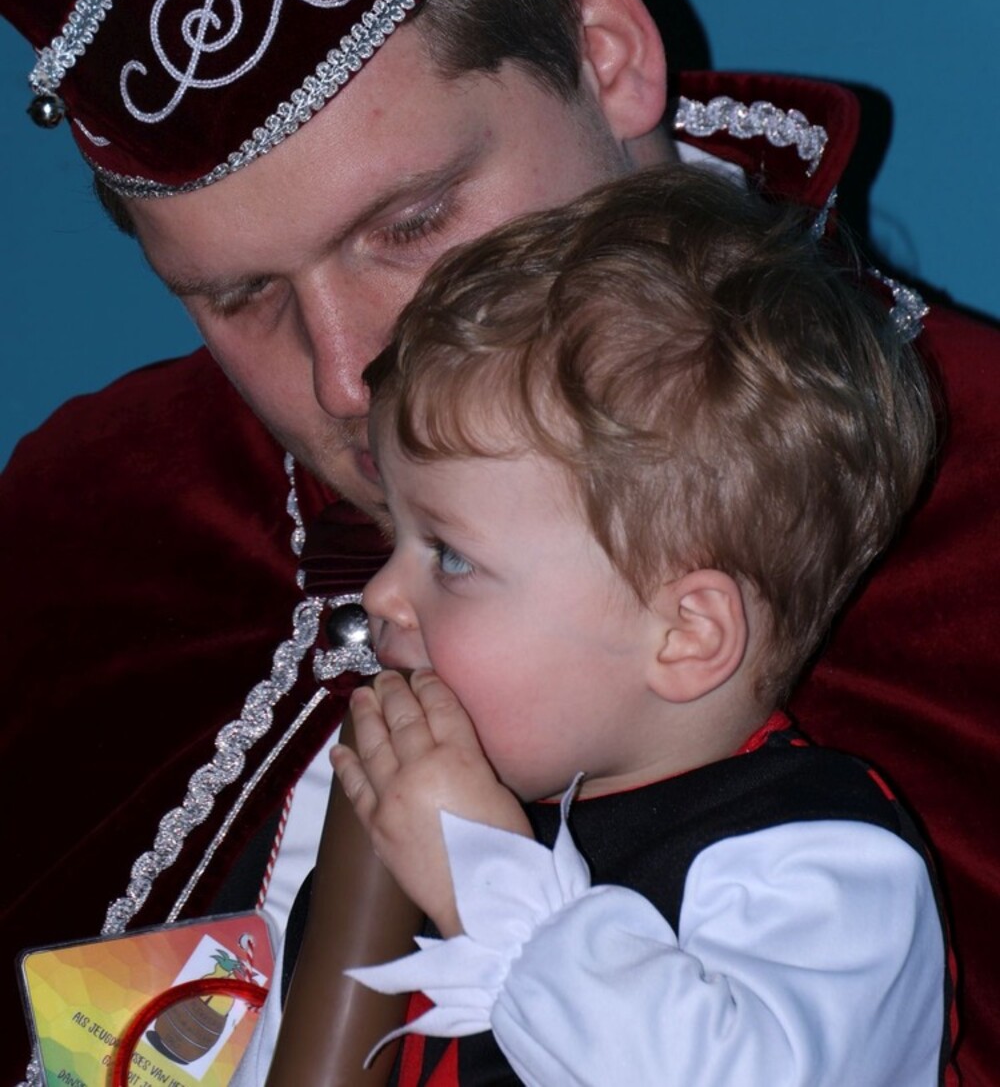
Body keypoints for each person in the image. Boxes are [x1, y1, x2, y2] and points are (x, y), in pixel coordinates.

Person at [0, 0, 997, 1085]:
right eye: (241, 297)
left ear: (607, 50)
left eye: (407, 223)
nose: (348, 376)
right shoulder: (87, 530)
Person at [319, 163, 950, 1085]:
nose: (381, 595)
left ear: (685, 635)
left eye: (451, 556)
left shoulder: (817, 860)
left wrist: (487, 883)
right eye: (395, 536)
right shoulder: (419, 821)